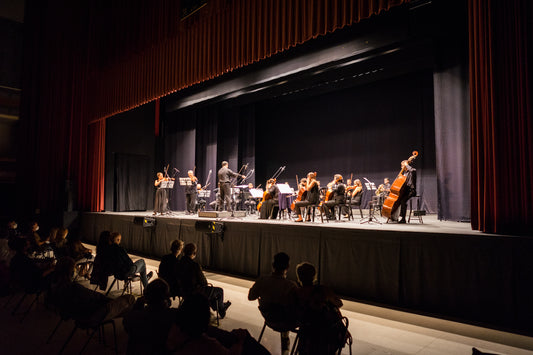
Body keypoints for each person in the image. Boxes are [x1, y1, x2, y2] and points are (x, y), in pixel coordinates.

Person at [291, 262, 348, 355]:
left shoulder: (296, 292)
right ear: (314, 276)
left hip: (305, 333)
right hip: (325, 334)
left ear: (299, 277)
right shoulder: (323, 290)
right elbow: (339, 303)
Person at [248, 252, 298, 354]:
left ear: (273, 265)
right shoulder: (290, 286)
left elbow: (251, 297)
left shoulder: (262, 280)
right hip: (285, 322)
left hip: (269, 319)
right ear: (287, 267)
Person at [176, 243, 231, 318]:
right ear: (194, 253)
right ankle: (221, 308)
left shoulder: (179, 263)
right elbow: (204, 282)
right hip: (195, 292)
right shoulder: (195, 265)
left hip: (183, 291)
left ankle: (221, 308)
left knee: (210, 293)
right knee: (219, 291)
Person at [123, 278, 176, 354]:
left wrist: (137, 305)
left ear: (146, 297)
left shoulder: (136, 317)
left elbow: (126, 323)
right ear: (166, 298)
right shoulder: (172, 316)